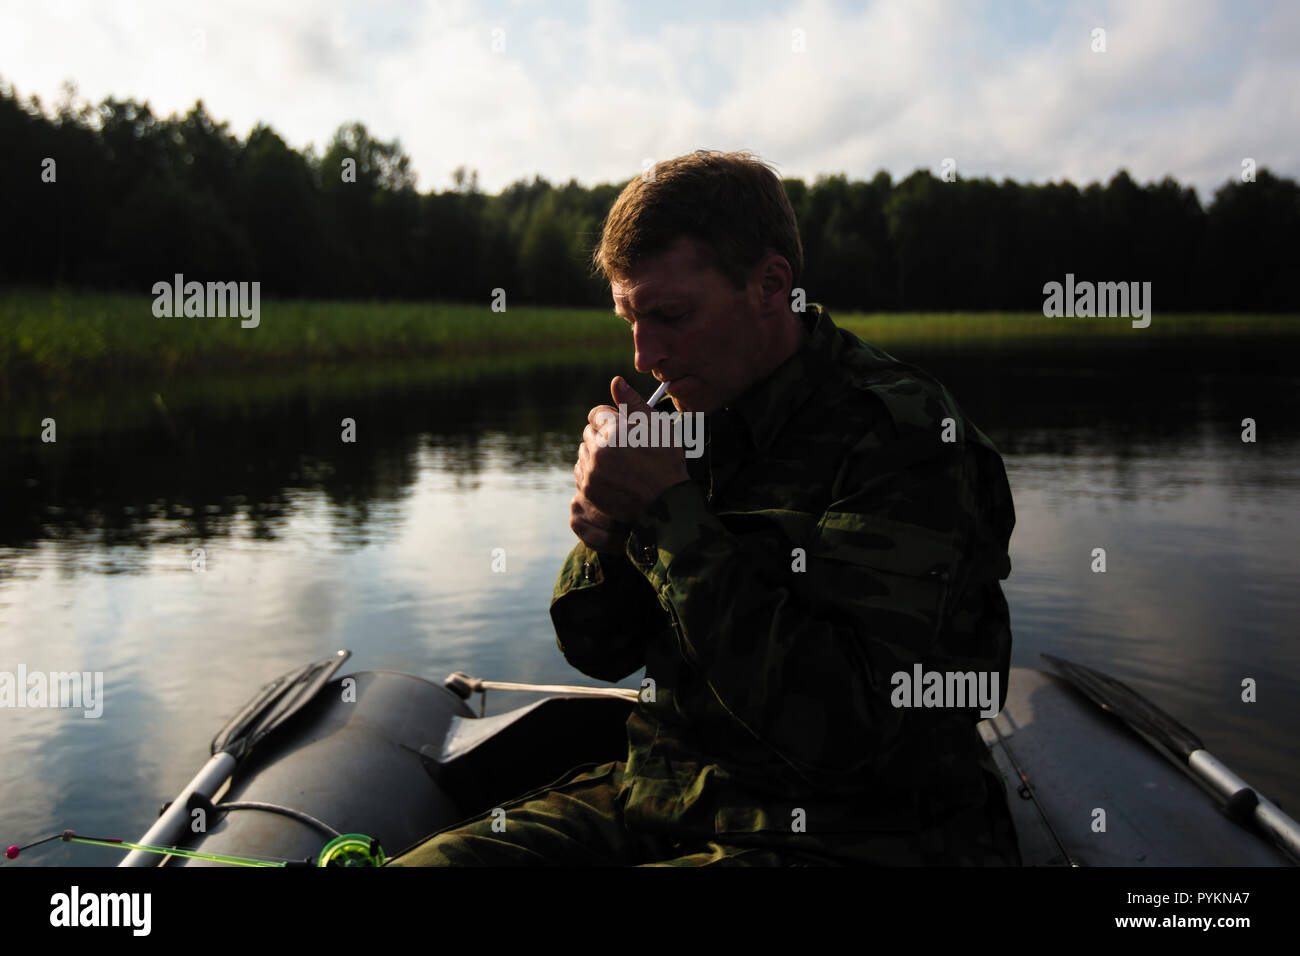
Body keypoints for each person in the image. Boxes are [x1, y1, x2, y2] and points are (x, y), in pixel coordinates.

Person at [387, 149, 1021, 866]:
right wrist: (607, 533)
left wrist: (665, 511)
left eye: (670, 316)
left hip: (859, 829)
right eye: (629, 317)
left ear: (770, 286)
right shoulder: (688, 412)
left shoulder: (904, 436)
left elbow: (846, 728)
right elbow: (599, 652)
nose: (644, 353)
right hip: (663, 793)